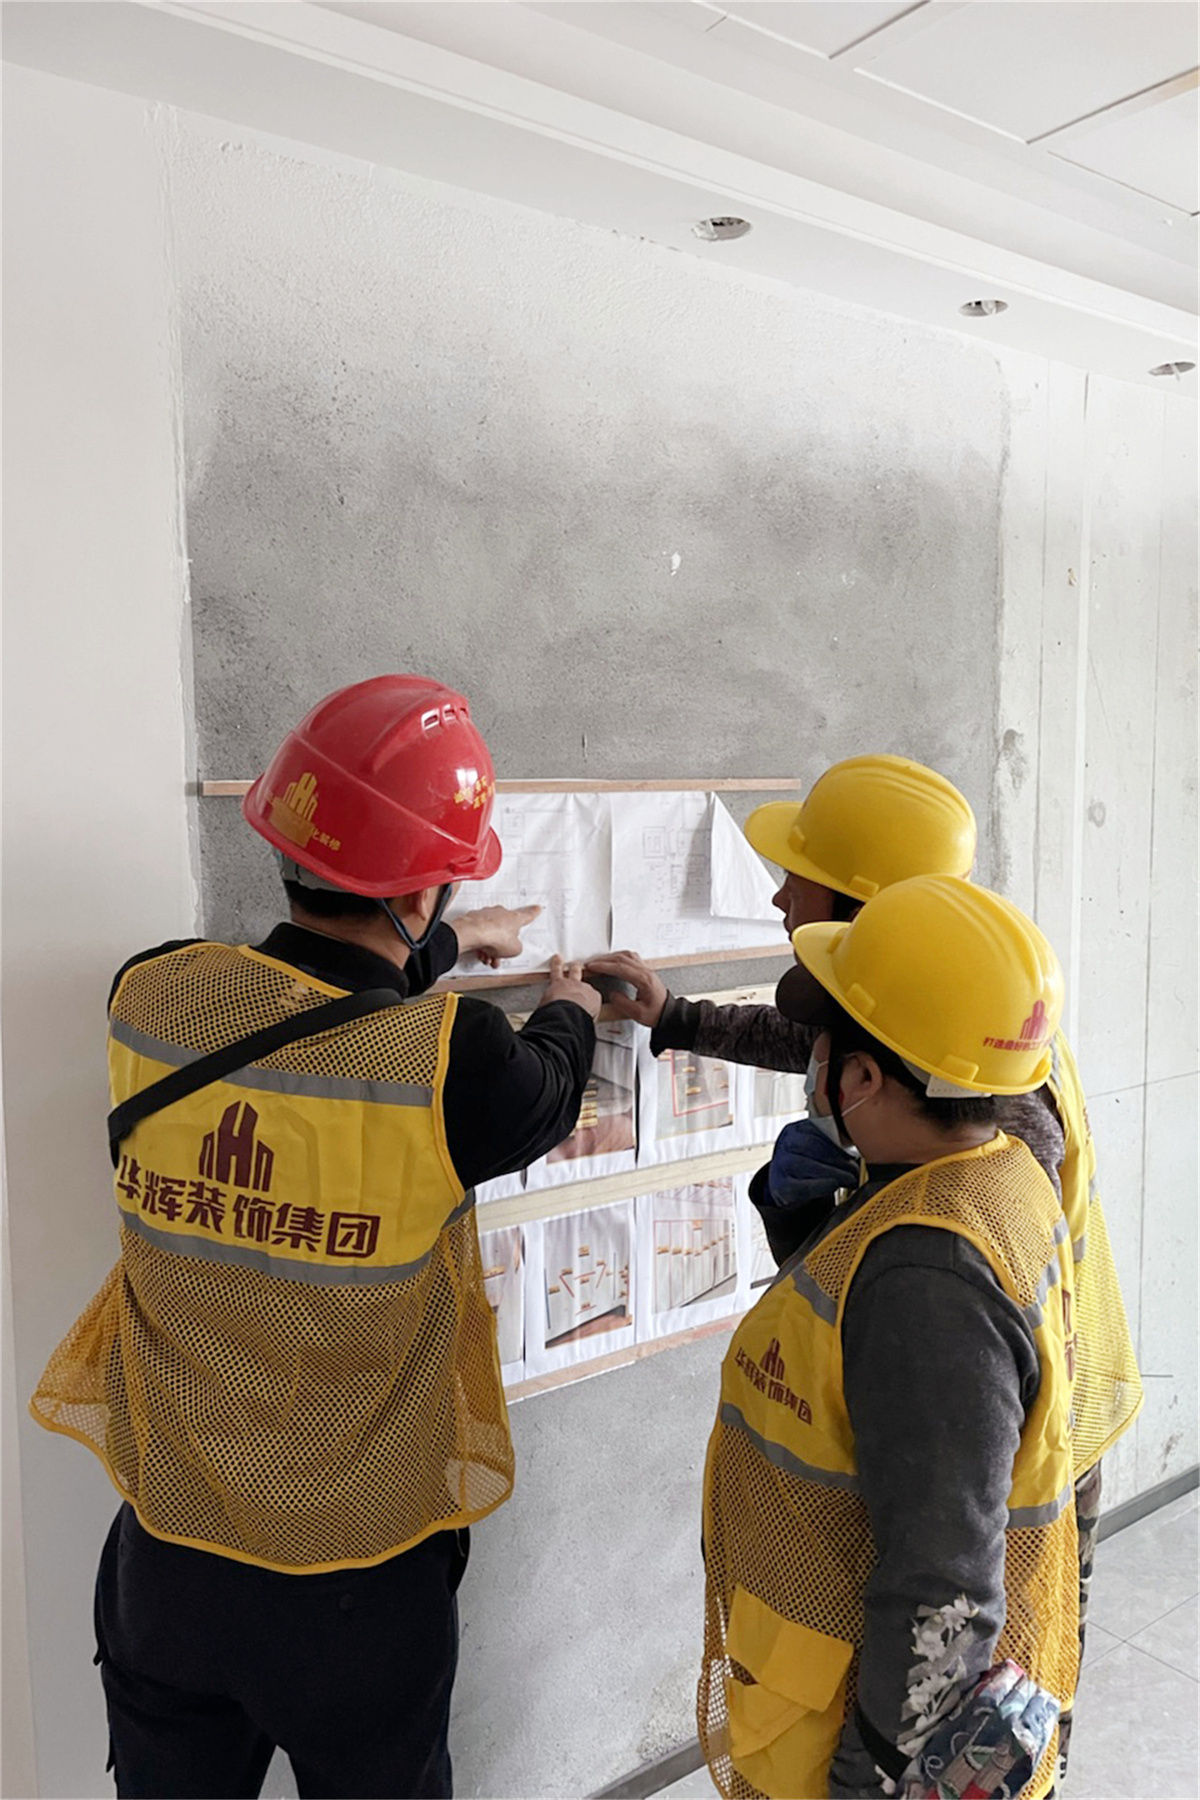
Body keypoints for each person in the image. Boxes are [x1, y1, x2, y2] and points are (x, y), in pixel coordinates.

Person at [31, 674, 601, 1800]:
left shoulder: (151, 996)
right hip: (357, 1586)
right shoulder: (457, 1062)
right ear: (427, 887)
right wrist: (573, 1005)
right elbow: (545, 1086)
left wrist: (446, 940)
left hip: (169, 1561)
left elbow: (309, 997)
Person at [586, 755, 1141, 1776]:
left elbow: (943, 1586)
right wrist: (681, 1020)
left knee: (995, 1681)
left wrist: (879, 1770)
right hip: (985, 1421)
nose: (779, 898)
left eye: (799, 880)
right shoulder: (963, 1032)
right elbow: (822, 1040)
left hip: (1022, 1433)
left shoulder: (957, 1222)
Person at [697, 875, 1082, 1800]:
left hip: (850, 1721)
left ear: (865, 1079)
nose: (812, 1064)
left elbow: (943, 1586)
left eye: (822, 1047)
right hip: (838, 1679)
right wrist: (812, 1225)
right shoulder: (993, 1172)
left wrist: (872, 1774)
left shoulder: (929, 1276)